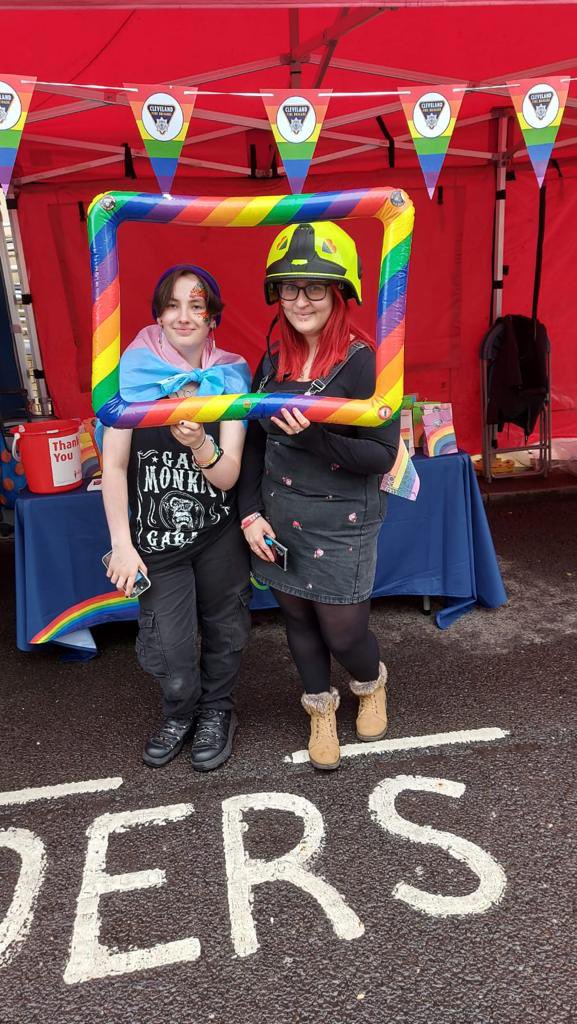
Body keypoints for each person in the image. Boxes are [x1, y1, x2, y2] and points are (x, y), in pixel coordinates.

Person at [238, 222, 400, 771]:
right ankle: (320, 710)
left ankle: (369, 682)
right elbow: (256, 445)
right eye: (289, 288)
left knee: (344, 630)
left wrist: (313, 438)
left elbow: (380, 457)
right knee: (299, 621)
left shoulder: (363, 361)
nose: (300, 300)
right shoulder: (270, 361)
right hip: (280, 515)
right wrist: (250, 514)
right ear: (275, 293)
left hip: (344, 519)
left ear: (339, 291)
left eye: (314, 288)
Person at [101, 264, 252, 771]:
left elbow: (229, 476)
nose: (184, 315)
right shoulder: (130, 372)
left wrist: (202, 443)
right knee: (170, 648)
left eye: (197, 305)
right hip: (156, 542)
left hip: (217, 535)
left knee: (225, 629)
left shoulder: (230, 375)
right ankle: (181, 709)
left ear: (213, 318)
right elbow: (115, 465)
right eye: (172, 303)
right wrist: (122, 545)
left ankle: (217, 711)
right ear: (159, 313)